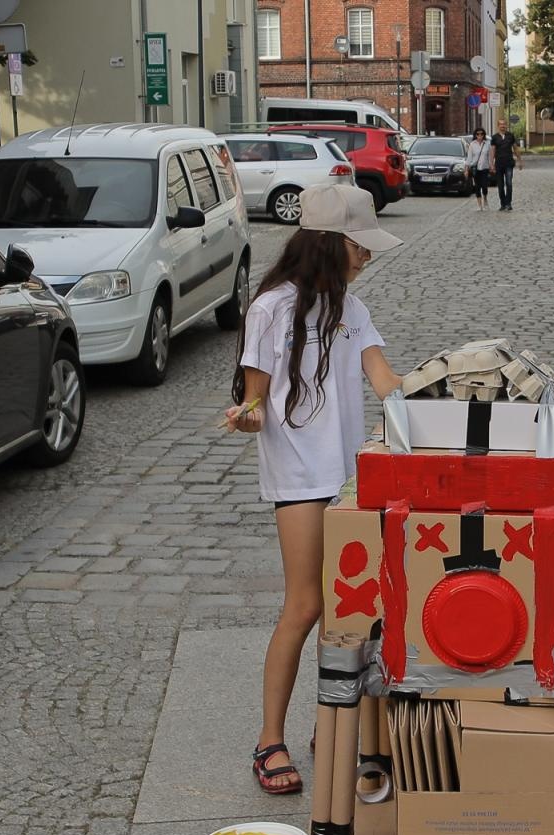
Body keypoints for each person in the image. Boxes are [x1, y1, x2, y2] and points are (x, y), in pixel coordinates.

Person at [225, 184, 404, 794]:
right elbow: (253, 398)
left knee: (357, 611)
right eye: (361, 246)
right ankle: (268, 739)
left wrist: (450, 390)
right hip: (301, 475)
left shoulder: (352, 309)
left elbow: (386, 380)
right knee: (304, 606)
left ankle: (331, 725)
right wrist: (246, 415)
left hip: (354, 479)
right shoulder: (271, 307)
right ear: (330, 243)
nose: (369, 257)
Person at [490, 119, 521, 211]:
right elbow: (493, 151)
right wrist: (491, 164)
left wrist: (520, 160)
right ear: (498, 126)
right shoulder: (495, 137)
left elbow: (515, 148)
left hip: (508, 163)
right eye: (501, 124)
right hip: (499, 164)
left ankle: (508, 203)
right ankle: (502, 204)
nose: (503, 126)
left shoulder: (510, 136)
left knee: (509, 183)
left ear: (506, 126)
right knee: (500, 185)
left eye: (504, 124)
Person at [463, 128, 493, 210]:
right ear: (475, 135)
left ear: (484, 135)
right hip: (475, 169)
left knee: (484, 186)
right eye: (478, 134)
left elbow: (490, 156)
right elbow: (469, 158)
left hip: (484, 168)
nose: (480, 136)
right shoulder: (472, 144)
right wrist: (466, 169)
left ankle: (485, 199)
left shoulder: (487, 144)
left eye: (481, 134)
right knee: (477, 187)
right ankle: (480, 205)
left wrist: (492, 166)